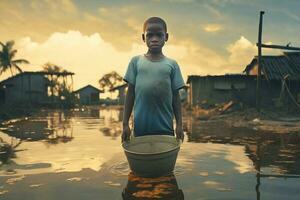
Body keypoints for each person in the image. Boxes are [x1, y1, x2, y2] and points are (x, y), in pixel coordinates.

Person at [122, 17, 185, 142]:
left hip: (165, 128)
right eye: (150, 35)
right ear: (143, 37)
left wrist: (179, 125)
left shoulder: (172, 64)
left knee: (164, 159)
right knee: (141, 159)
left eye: (159, 35)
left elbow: (175, 98)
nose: (154, 39)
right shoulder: (136, 62)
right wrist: (125, 125)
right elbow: (130, 94)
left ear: (166, 37)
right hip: (140, 129)